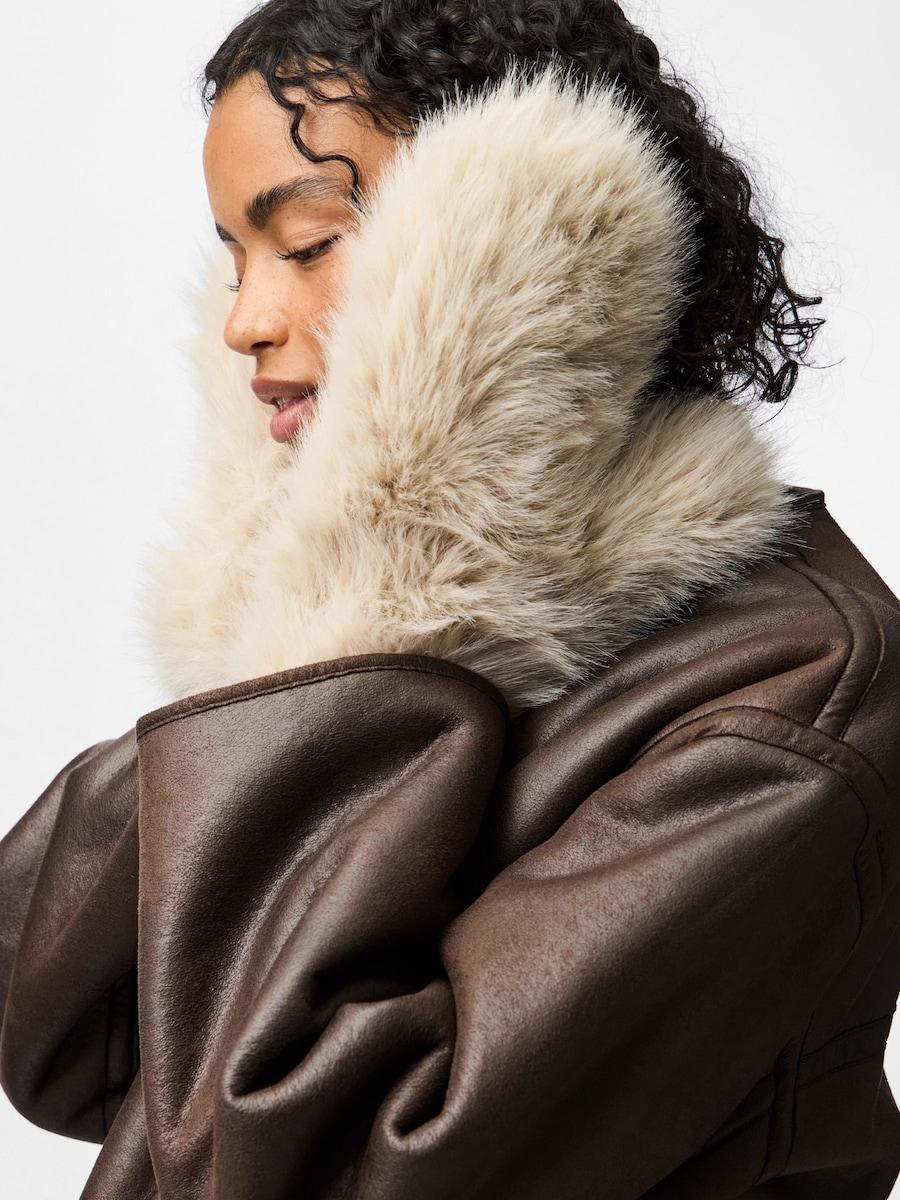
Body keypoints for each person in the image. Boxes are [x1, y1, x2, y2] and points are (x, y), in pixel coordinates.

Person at [1, 3, 899, 1197]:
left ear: (527, 239)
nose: (245, 322)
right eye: (235, 257)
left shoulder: (790, 697)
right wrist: (318, 613)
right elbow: (61, 1031)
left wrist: (376, 599)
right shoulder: (406, 623)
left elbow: (327, 1168)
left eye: (307, 245)